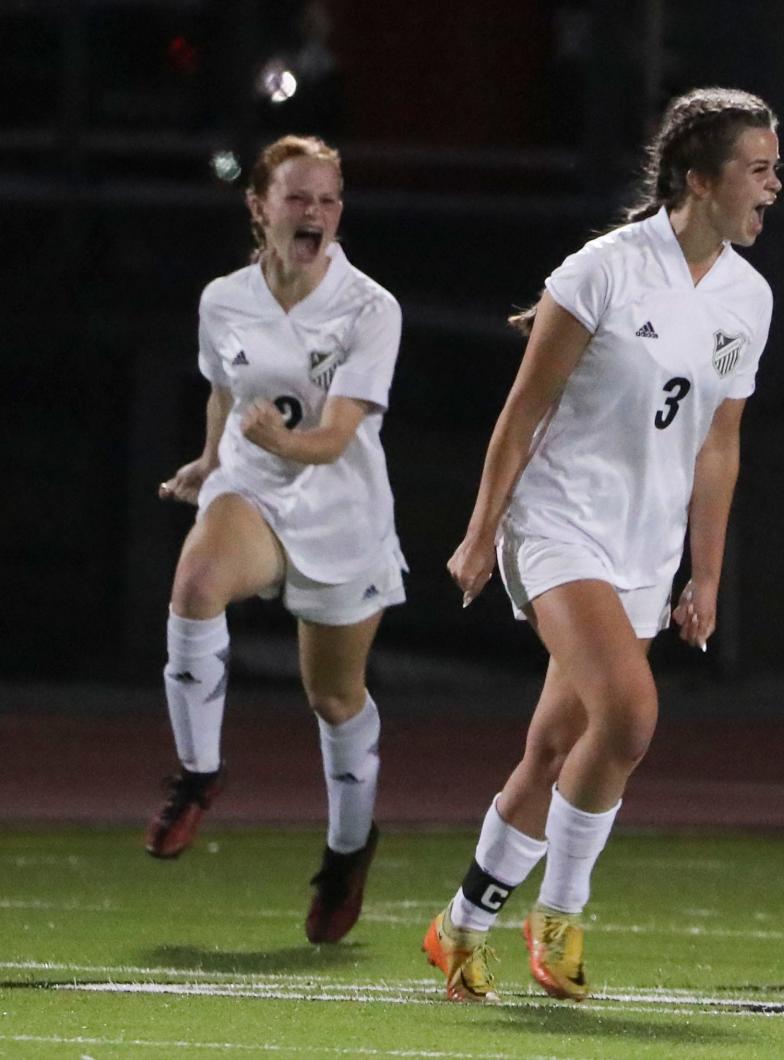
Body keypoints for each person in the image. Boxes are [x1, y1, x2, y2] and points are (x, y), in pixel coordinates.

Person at [422, 87, 781, 1002]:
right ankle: (562, 917)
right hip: (556, 521)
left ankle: (461, 924)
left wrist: (705, 573)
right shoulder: (604, 270)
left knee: (555, 747)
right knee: (629, 714)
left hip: (642, 546)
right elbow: (522, 410)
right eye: (759, 169)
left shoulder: (749, 297)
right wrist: (477, 535)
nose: (775, 187)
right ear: (699, 180)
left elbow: (718, 443)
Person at [145, 134, 406, 946]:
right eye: (298, 197)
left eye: (328, 199)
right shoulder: (224, 299)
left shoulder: (370, 308)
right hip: (254, 489)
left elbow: (331, 442)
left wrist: (276, 443)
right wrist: (209, 459)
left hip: (341, 506)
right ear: (259, 207)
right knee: (194, 586)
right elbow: (226, 395)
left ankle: (349, 849)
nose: (316, 213)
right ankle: (197, 775)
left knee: (333, 697)